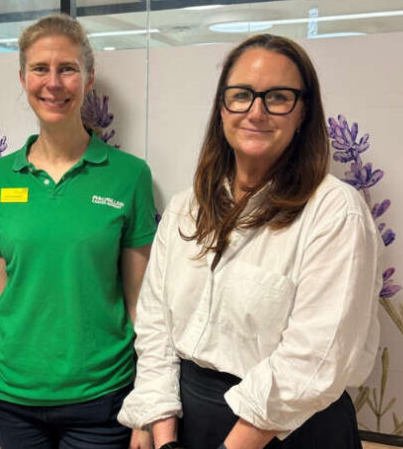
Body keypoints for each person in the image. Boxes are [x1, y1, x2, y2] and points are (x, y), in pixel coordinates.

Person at [118, 34, 381, 449]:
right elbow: (156, 327)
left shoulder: (334, 212)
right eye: (241, 95)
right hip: (190, 420)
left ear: (303, 112)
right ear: (222, 108)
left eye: (277, 97)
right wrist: (163, 432)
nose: (256, 112)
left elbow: (315, 359)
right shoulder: (187, 207)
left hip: (290, 430)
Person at [0, 14, 157, 449]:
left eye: (67, 68)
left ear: (88, 79)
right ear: (23, 78)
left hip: (101, 395)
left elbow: (140, 302)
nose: (53, 83)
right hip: (11, 396)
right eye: (40, 69)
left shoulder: (129, 176)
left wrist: (146, 407)